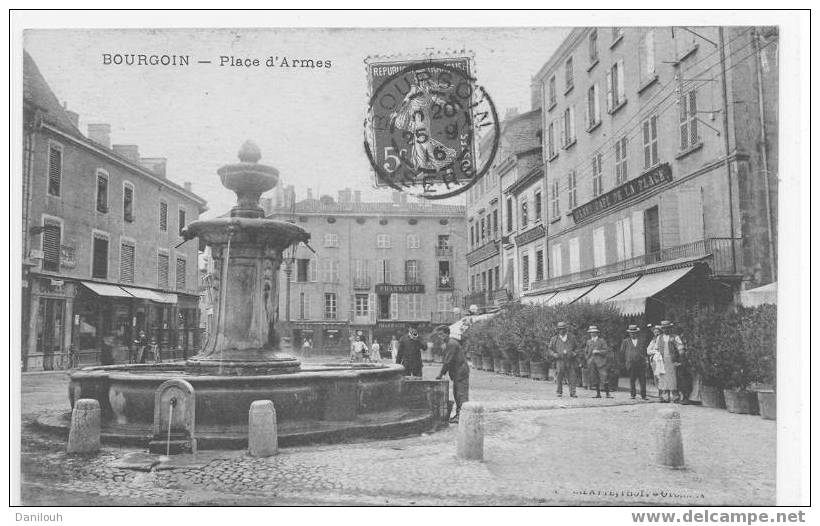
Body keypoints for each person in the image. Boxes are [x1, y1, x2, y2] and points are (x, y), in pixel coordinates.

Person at [435, 325, 470, 423]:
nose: (440, 337)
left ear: (447, 334)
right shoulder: (449, 343)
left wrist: (440, 374)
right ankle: (460, 415)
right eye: (438, 335)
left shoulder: (451, 344)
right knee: (457, 393)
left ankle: (462, 416)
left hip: (461, 371)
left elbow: (447, 361)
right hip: (458, 372)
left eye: (441, 334)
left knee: (461, 394)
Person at [649, 320, 684, 403]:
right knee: (663, 378)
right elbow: (656, 348)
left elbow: (680, 348)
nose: (666, 330)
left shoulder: (675, 337)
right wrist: (656, 355)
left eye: (667, 328)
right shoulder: (659, 338)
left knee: (673, 379)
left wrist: (680, 358)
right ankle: (665, 397)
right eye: (664, 328)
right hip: (662, 361)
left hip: (672, 361)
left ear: (670, 328)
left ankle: (675, 397)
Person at [548, 321, 579, 398]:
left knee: (572, 376)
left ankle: (573, 392)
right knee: (559, 376)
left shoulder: (572, 337)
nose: (562, 330)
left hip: (570, 360)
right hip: (560, 360)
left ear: (566, 329)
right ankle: (559, 392)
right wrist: (554, 354)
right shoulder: (554, 339)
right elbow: (550, 349)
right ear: (558, 330)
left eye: (563, 329)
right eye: (560, 329)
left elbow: (577, 348)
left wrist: (575, 353)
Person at [584, 326, 613, 399]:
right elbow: (586, 352)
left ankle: (607, 394)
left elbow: (606, 351)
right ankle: (598, 394)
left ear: (597, 333)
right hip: (592, 362)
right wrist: (588, 359)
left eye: (594, 332)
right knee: (594, 378)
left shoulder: (601, 341)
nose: (592, 334)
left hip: (601, 362)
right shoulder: (589, 341)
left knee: (604, 376)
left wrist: (599, 351)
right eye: (591, 332)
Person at [620, 325, 648, 400]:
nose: (633, 334)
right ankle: (633, 394)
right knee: (632, 379)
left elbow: (645, 351)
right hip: (631, 363)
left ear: (637, 333)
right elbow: (622, 352)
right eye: (631, 333)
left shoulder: (641, 340)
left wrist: (646, 360)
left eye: (634, 333)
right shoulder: (626, 341)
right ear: (629, 334)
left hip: (641, 363)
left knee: (642, 379)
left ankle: (643, 395)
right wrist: (625, 362)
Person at [647, 325, 664, 397]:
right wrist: (656, 351)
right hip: (654, 360)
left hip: (662, 360)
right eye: (655, 332)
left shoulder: (663, 339)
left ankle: (663, 393)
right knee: (656, 376)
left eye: (658, 332)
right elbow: (648, 351)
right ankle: (659, 391)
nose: (656, 333)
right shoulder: (653, 341)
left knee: (662, 376)